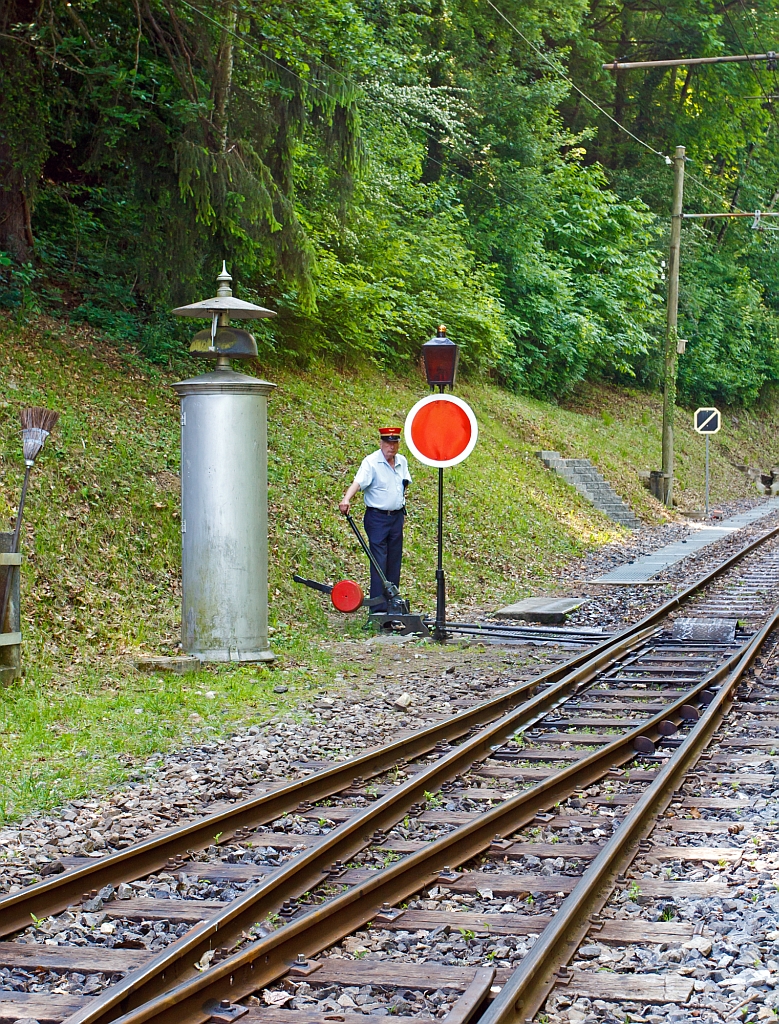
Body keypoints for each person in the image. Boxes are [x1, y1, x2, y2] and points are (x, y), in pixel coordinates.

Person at [339, 427, 411, 612]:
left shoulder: (402, 462)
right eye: (388, 443)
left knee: (394, 561)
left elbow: (404, 485)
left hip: (396, 518)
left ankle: (393, 605)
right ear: (381, 443)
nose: (391, 447)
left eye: (394, 443)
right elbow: (358, 482)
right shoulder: (371, 462)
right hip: (377, 518)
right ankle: (378, 609)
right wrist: (346, 499)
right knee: (379, 561)